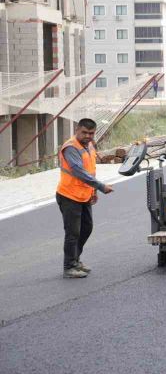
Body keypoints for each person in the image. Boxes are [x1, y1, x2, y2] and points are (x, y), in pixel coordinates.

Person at [56, 118, 114, 278]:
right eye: (85, 132)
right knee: (72, 232)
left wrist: (92, 192)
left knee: (86, 228)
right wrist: (100, 187)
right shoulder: (70, 148)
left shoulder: (89, 145)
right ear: (77, 130)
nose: (88, 136)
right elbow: (78, 171)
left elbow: (91, 170)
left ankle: (75, 260)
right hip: (69, 195)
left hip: (83, 195)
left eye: (91, 133)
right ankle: (69, 267)